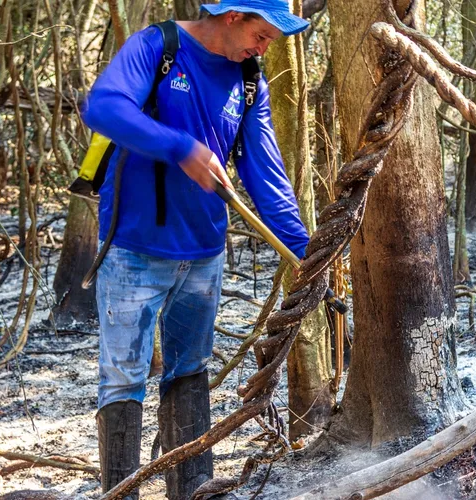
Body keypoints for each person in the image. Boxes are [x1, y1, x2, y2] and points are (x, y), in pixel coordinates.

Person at [80, 1, 309, 498]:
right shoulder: (157, 47)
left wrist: (305, 253)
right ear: (233, 16)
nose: (263, 48)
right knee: (122, 380)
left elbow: (265, 174)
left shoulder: (249, 80)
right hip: (133, 251)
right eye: (263, 35)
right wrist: (181, 148)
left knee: (190, 372)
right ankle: (120, 493)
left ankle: (193, 491)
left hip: (205, 254)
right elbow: (103, 107)